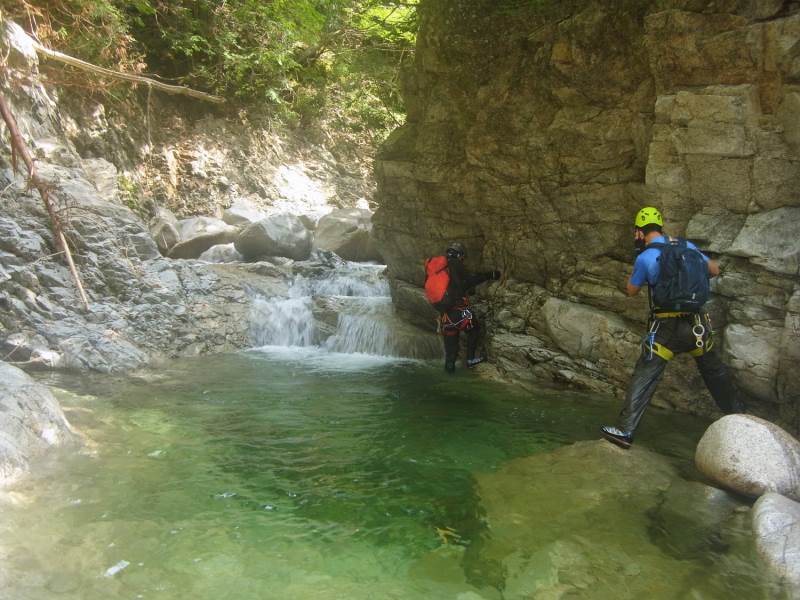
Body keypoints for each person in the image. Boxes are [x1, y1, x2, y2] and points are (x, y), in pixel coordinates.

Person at [601, 207, 746, 449]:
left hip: (666, 328)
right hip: (697, 326)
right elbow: (714, 269)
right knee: (714, 372)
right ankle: (741, 418)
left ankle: (625, 431)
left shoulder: (646, 257)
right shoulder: (687, 247)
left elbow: (631, 290)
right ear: (660, 227)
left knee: (645, 375)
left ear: (639, 232)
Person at [438, 242, 500, 373]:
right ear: (459, 255)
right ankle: (470, 359)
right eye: (462, 257)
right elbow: (470, 280)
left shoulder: (440, 268)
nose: (463, 260)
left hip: (445, 314)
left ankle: (449, 373)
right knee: (474, 330)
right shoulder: (456, 264)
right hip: (459, 310)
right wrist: (490, 275)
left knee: (451, 352)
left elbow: (453, 286)